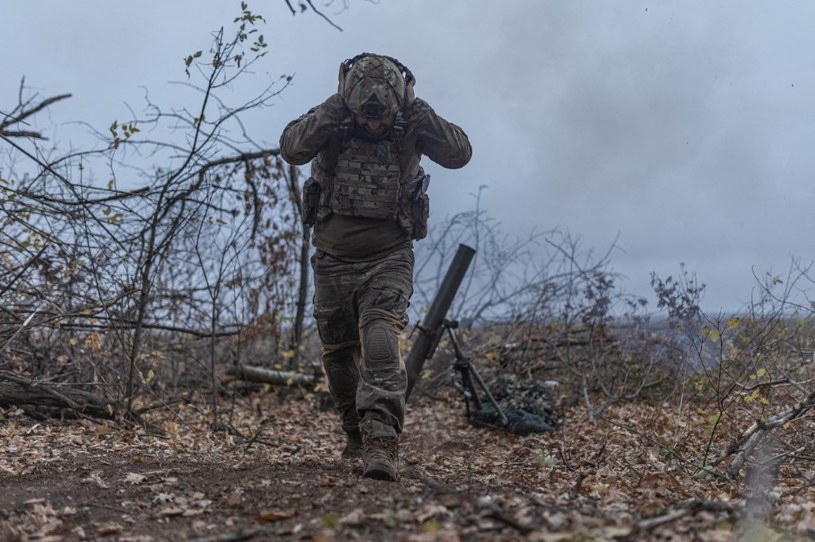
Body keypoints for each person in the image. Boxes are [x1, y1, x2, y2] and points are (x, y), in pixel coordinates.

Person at [279, 53, 471, 481]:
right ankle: (355, 431)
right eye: (366, 119)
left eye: (382, 119)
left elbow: (460, 154)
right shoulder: (334, 119)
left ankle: (382, 443)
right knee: (338, 358)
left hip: (388, 255)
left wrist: (420, 113)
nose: (373, 126)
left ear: (396, 107)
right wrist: (333, 108)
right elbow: (291, 147)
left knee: (382, 340)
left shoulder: (411, 123)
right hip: (331, 259)